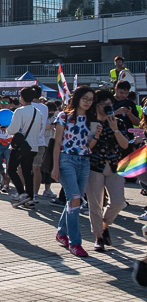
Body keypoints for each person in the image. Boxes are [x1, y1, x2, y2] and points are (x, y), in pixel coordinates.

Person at [51, 86, 97, 257]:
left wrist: (96, 135)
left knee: (74, 200)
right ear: (77, 98)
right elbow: (56, 144)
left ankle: (61, 233)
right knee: (75, 199)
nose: (87, 102)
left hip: (84, 161)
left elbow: (89, 145)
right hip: (66, 160)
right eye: (85, 98)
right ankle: (75, 242)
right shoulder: (64, 116)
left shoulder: (91, 119)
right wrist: (55, 166)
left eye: (91, 99)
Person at [86, 89, 131, 252]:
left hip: (114, 166)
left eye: (109, 104)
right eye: (103, 104)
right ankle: (99, 237)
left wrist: (115, 129)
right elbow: (88, 146)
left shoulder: (118, 122)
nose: (107, 106)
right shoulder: (89, 121)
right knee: (95, 204)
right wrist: (95, 134)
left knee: (119, 202)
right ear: (96, 106)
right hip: (94, 166)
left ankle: (104, 225)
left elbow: (125, 145)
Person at [5, 86, 43, 209]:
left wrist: (7, 129)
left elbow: (12, 130)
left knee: (11, 169)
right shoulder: (38, 112)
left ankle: (22, 193)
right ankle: (30, 197)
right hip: (33, 146)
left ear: (21, 97)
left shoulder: (20, 111)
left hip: (21, 147)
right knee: (27, 172)